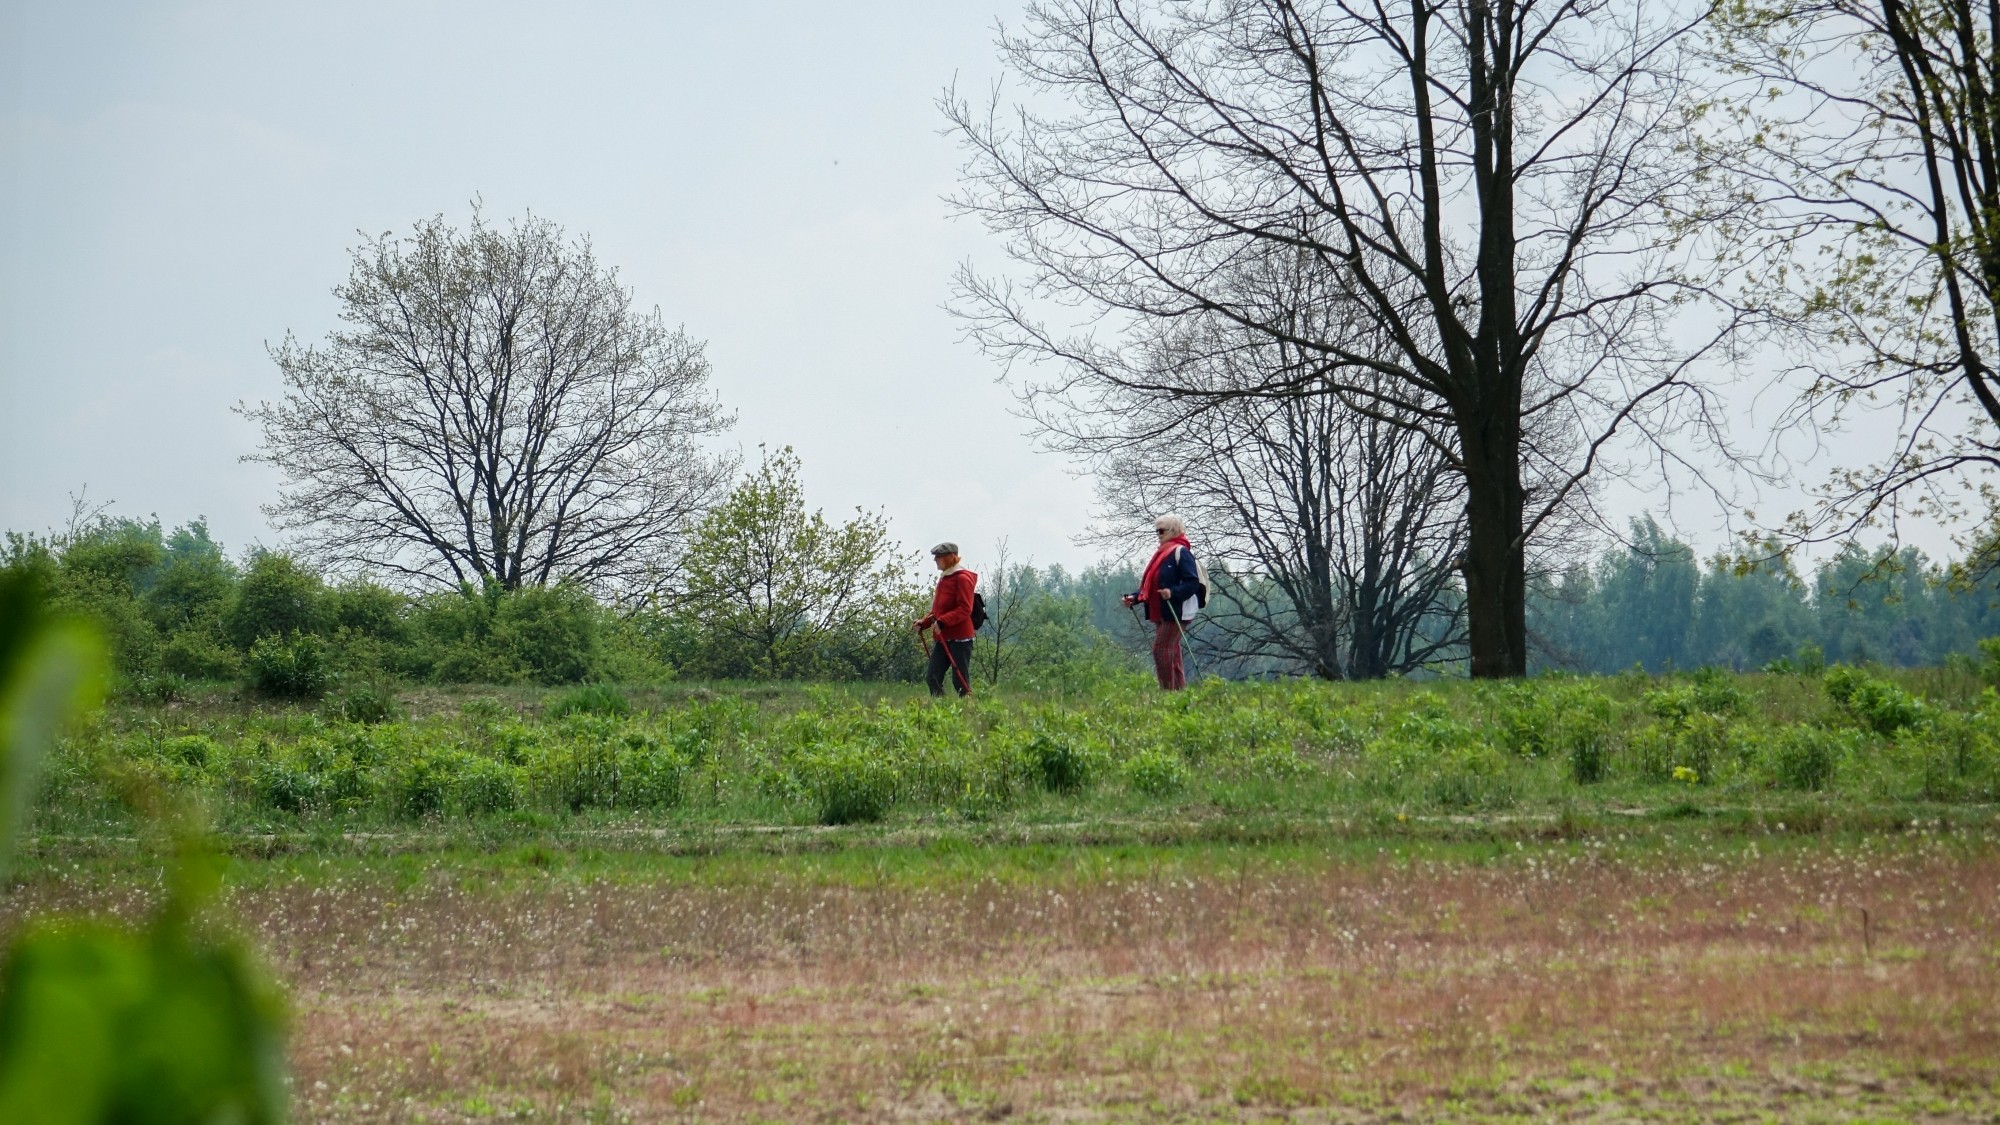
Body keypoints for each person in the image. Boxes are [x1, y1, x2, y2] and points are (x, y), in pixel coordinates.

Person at [1123, 515, 1201, 691]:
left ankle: (1167, 693)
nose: (1158, 534)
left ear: (1173, 531)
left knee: (1161, 649)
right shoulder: (1162, 554)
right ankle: (1180, 694)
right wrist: (1134, 598)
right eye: (1156, 530)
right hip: (1162, 611)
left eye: (1161, 530)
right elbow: (1151, 586)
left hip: (1177, 610)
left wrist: (1172, 593)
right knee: (1171, 651)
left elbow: (1192, 583)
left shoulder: (1181, 552)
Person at [915, 542, 977, 697]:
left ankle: (970, 712)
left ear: (951, 557)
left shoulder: (962, 578)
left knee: (960, 682)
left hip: (960, 639)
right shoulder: (944, 578)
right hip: (943, 639)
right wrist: (925, 623)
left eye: (939, 557)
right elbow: (938, 611)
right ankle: (942, 711)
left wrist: (943, 622)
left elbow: (965, 609)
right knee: (932, 677)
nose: (935, 560)